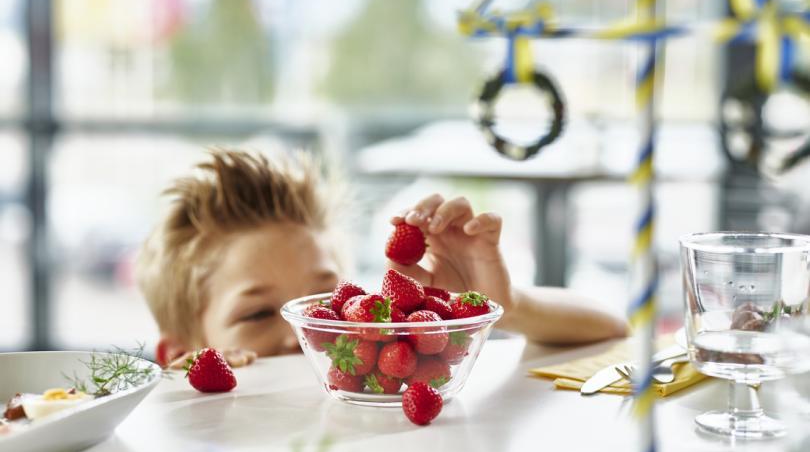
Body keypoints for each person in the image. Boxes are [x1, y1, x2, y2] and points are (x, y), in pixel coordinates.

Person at [136, 148, 626, 368]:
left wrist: (501, 308)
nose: (302, 331)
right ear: (182, 357)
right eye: (259, 313)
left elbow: (610, 327)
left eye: (318, 299)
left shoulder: (382, 369)